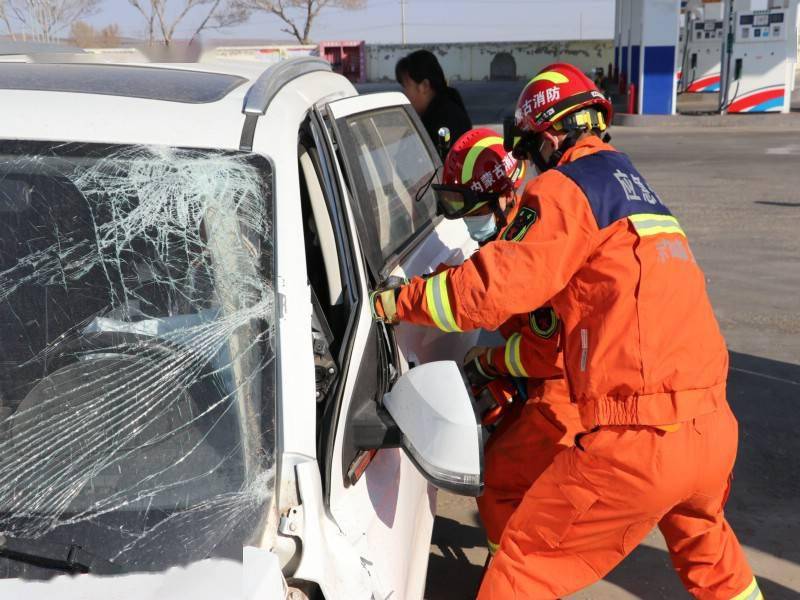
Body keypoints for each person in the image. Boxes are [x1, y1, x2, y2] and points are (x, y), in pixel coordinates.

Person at [372, 63, 759, 600]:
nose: (532, 164)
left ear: (550, 133)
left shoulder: (564, 189)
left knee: (524, 569)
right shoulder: (637, 190)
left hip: (639, 438)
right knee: (714, 560)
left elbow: (487, 290)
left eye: (531, 149)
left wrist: (396, 301)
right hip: (712, 429)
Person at [430, 128, 583, 556]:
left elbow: (545, 350)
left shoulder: (527, 245)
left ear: (502, 197)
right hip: (557, 384)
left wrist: (489, 362)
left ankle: (515, 577)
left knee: (497, 481)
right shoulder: (520, 226)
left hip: (565, 396)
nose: (464, 221)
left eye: (469, 208)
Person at [395, 49, 472, 152]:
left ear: (424, 86)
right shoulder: (449, 107)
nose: (404, 94)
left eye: (406, 86)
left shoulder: (442, 124)